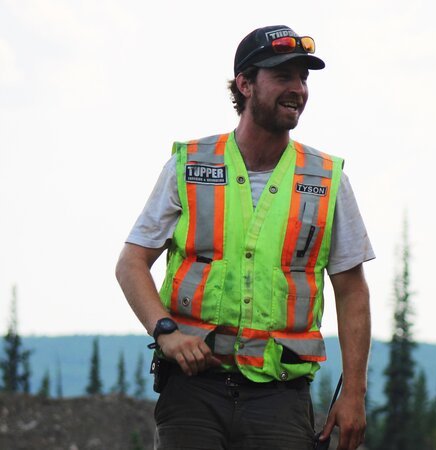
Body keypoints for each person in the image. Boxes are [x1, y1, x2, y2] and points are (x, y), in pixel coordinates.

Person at [115, 25, 373, 450]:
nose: (298, 90)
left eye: (303, 78)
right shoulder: (190, 165)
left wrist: (354, 393)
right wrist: (165, 332)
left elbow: (352, 293)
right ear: (245, 84)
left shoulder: (327, 179)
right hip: (193, 391)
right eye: (284, 77)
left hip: (280, 399)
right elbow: (130, 263)